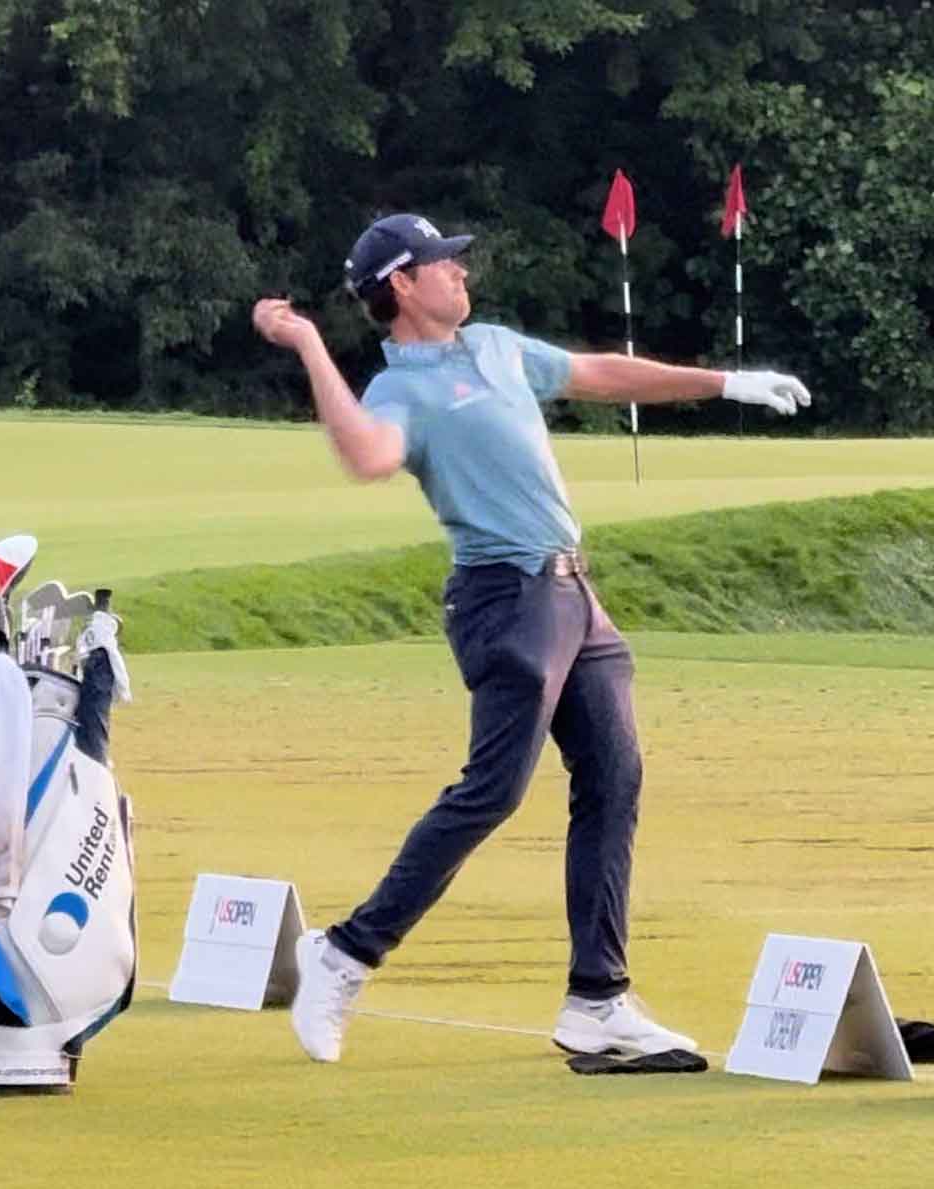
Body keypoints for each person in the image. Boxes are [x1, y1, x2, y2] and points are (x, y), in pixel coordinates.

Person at [252, 213, 809, 1063]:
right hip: (503, 598)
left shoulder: (499, 347)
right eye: (442, 263)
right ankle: (345, 952)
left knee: (614, 778)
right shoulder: (402, 388)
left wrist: (723, 383)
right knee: (494, 790)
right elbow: (367, 457)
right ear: (402, 285)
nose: (460, 273)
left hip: (575, 594)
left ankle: (599, 999)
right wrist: (311, 349)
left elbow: (599, 374)